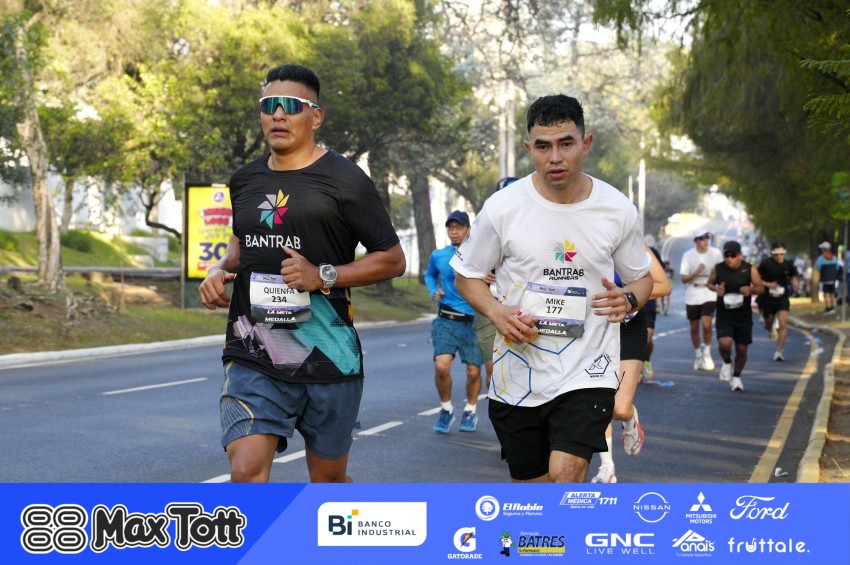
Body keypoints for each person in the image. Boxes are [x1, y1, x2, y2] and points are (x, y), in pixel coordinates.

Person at [198, 64, 406, 483]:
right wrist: (218, 269)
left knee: (328, 484)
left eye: (291, 106)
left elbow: (392, 259)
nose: (278, 115)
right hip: (254, 350)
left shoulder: (345, 180)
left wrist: (322, 276)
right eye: (269, 105)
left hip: (328, 355)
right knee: (246, 472)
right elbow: (242, 241)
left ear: (315, 117)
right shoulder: (245, 180)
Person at [451, 94, 654, 483]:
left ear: (585, 144)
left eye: (566, 143)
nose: (555, 158)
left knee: (566, 475)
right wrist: (497, 312)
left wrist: (629, 298)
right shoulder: (502, 208)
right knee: (535, 495)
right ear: (529, 149)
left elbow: (643, 278)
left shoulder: (617, 209)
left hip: (587, 369)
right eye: (543, 147)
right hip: (518, 373)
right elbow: (466, 276)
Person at [591, 246, 671, 483]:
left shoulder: (637, 246)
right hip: (595, 328)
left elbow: (663, 285)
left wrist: (626, 297)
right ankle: (607, 467)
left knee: (618, 408)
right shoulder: (583, 239)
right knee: (599, 399)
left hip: (628, 328)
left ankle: (629, 417)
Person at [425, 210, 484, 433]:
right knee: (442, 366)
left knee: (473, 371)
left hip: (473, 320)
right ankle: (446, 409)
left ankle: (470, 410)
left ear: (468, 229)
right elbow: (430, 274)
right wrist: (434, 291)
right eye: (450, 227)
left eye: (459, 227)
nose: (454, 231)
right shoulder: (439, 255)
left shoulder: (480, 254)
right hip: (446, 318)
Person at [473, 177, 519, 390]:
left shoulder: (540, 223)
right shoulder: (486, 224)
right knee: (494, 368)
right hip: (490, 307)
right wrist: (479, 275)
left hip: (525, 306)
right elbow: (464, 272)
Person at [706, 241, 764, 392]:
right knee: (724, 343)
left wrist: (751, 290)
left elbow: (761, 288)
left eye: (733, 256)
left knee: (742, 349)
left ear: (739, 255)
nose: (729, 259)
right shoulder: (718, 268)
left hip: (743, 315)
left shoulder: (749, 269)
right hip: (724, 313)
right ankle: (727, 361)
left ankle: (737, 377)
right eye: (726, 255)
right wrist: (716, 288)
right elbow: (709, 283)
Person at [680, 230, 723, 371]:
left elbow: (722, 271)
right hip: (693, 292)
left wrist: (719, 284)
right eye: (702, 238)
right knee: (694, 326)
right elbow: (683, 278)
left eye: (707, 237)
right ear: (696, 241)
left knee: (706, 323)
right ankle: (698, 355)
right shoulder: (688, 255)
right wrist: (696, 272)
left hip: (709, 291)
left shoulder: (715, 253)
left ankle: (707, 353)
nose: (705, 241)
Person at [756, 241, 799, 361]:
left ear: (785, 252)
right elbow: (756, 278)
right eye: (776, 254)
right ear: (772, 253)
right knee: (768, 323)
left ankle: (779, 351)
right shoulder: (766, 264)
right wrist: (768, 284)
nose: (779, 256)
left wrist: (795, 284)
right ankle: (770, 329)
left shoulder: (789, 264)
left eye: (781, 254)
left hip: (782, 297)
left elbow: (793, 276)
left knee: (783, 323)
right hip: (767, 298)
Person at [815, 241, 840, 314]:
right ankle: (833, 306)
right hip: (833, 279)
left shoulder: (821, 258)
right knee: (832, 293)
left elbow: (818, 267)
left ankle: (828, 308)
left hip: (825, 279)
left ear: (824, 249)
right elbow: (837, 267)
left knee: (826, 293)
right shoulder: (834, 257)